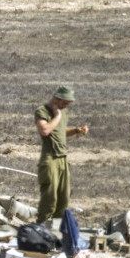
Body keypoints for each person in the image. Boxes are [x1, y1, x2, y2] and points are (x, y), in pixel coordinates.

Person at [34, 86, 88, 224]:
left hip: (63, 158)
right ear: (57, 99)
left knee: (64, 197)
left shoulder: (63, 112)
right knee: (50, 196)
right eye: (64, 103)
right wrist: (57, 115)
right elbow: (45, 130)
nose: (66, 106)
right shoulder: (42, 111)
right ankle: (42, 225)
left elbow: (60, 131)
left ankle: (57, 228)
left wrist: (76, 131)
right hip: (50, 158)